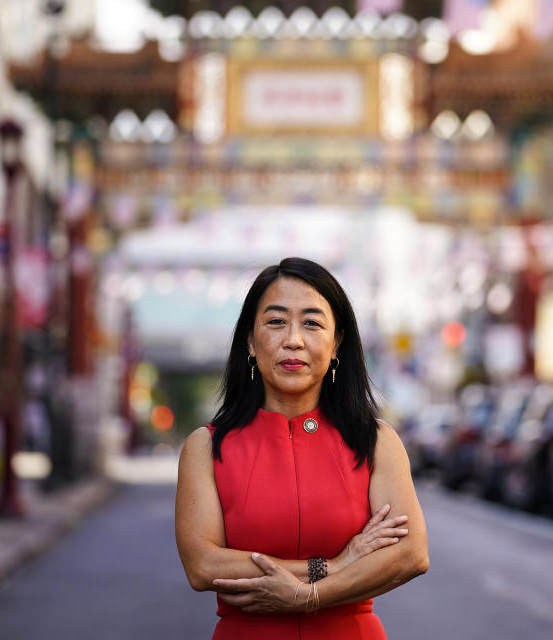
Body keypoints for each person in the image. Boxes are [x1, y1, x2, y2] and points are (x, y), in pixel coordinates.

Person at [176, 257, 429, 639]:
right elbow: (203, 565)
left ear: (336, 341)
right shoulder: (206, 448)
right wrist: (331, 566)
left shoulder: (374, 441)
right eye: (276, 322)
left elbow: (411, 555)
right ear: (250, 338)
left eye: (312, 323)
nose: (293, 339)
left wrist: (309, 597)